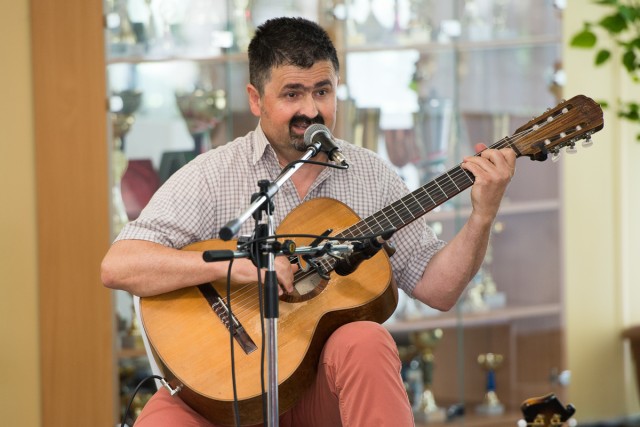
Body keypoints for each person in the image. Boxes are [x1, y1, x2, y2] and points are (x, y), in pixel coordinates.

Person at [101, 16, 516, 427]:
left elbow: (438, 290)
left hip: (321, 388)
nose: (311, 110)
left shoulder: (372, 176)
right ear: (256, 99)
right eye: (292, 94)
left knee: (367, 339)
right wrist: (230, 267)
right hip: (221, 392)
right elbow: (118, 265)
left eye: (322, 91)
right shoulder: (214, 174)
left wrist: (482, 214)